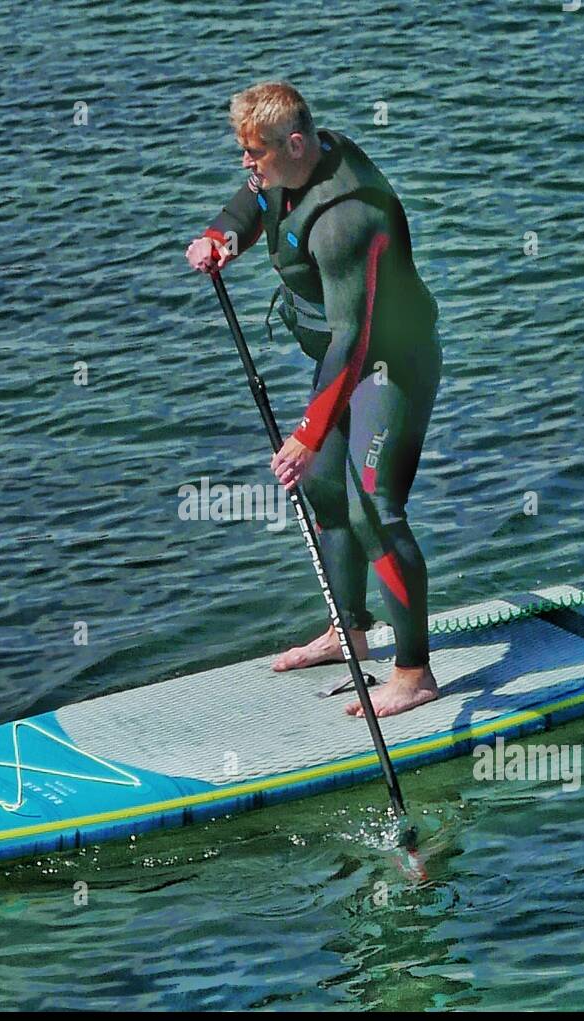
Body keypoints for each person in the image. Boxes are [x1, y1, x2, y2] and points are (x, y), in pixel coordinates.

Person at [185, 81, 443, 718]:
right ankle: (347, 632)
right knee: (326, 490)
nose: (247, 164)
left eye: (256, 153)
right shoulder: (287, 166)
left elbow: (354, 340)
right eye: (242, 152)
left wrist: (304, 432)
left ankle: (413, 675)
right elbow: (251, 200)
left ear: (295, 144)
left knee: (374, 509)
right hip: (340, 364)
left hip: (390, 367)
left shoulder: (347, 217)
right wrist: (223, 236)